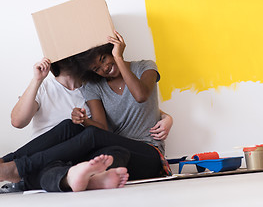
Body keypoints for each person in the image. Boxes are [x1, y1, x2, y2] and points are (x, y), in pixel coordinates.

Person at [0, 30, 173, 190]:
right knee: (72, 127)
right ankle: (5, 162)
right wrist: (84, 121)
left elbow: (141, 96)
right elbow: (102, 128)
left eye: (104, 58)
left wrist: (118, 57)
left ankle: (18, 169)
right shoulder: (94, 86)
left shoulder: (145, 67)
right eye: (97, 68)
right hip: (116, 148)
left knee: (91, 136)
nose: (104, 68)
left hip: (148, 152)